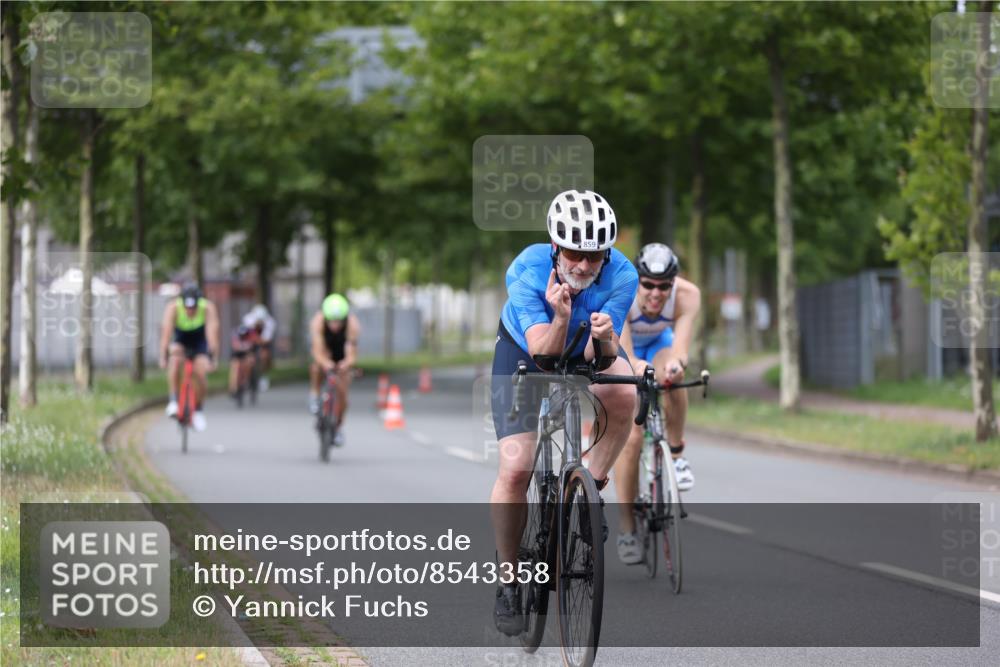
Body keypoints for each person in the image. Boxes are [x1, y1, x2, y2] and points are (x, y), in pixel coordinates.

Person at [490, 189, 638, 635]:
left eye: (595, 256)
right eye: (575, 253)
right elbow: (541, 354)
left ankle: (588, 487)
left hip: (588, 346)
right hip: (524, 348)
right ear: (555, 247)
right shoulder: (527, 269)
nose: (584, 266)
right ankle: (509, 581)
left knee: (625, 395)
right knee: (516, 468)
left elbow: (605, 356)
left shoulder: (623, 275)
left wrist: (608, 339)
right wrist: (559, 317)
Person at [614, 243, 701, 565]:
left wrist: (676, 365)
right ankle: (626, 529)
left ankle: (676, 454)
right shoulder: (622, 291)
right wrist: (638, 369)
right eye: (648, 284)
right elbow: (627, 355)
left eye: (664, 286)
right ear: (638, 280)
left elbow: (679, 348)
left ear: (673, 284)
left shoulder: (688, 295)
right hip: (627, 348)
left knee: (673, 375)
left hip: (660, 344)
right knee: (631, 438)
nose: (655, 293)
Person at [159, 283, 220, 432]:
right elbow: (166, 334)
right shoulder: (173, 307)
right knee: (175, 360)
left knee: (201, 371)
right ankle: (173, 401)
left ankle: (198, 409)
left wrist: (213, 358)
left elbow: (212, 334)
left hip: (199, 341)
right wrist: (164, 356)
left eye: (193, 308)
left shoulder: (208, 308)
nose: (190, 311)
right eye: (187, 307)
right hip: (181, 339)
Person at [308, 293, 361, 445]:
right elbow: (317, 350)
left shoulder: (353, 325)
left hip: (342, 353)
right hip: (325, 350)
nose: (335, 325)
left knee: (343, 393)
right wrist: (325, 363)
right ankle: (314, 395)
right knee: (316, 367)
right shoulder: (317, 322)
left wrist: (346, 363)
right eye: (331, 321)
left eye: (339, 321)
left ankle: (337, 428)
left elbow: (351, 353)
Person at [242, 304, 276, 391]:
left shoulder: (270, 322)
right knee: (248, 360)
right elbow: (246, 336)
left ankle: (263, 376)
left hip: (262, 343)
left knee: (265, 356)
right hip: (250, 342)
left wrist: (258, 340)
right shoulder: (248, 319)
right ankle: (247, 380)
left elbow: (266, 340)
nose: (260, 323)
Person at [228, 324, 258, 401]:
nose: (243, 337)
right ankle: (233, 389)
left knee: (250, 362)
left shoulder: (251, 337)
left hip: (248, 354)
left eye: (244, 335)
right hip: (237, 355)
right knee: (234, 368)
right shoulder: (235, 337)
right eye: (242, 336)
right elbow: (235, 348)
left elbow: (253, 350)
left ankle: (247, 380)